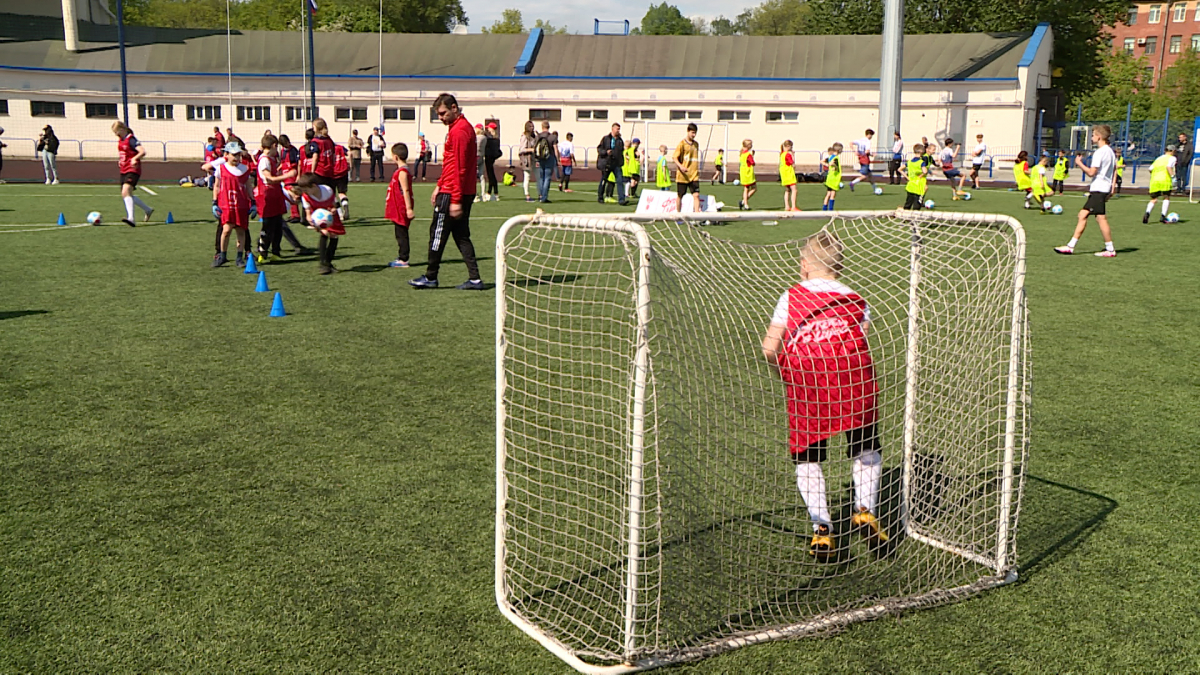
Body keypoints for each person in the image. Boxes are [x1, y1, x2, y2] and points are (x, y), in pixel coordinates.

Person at [761, 231, 887, 560]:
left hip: (810, 380)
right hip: (854, 378)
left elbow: (769, 348)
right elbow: (860, 339)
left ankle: (822, 529)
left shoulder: (792, 296)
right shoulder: (857, 298)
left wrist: (785, 374)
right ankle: (865, 510)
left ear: (804, 265)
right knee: (866, 445)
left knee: (808, 454)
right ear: (839, 267)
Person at [409, 93, 484, 290]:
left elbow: (460, 167)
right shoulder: (459, 128)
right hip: (453, 189)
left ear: (454, 108)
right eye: (438, 115)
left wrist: (455, 199)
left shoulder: (459, 131)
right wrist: (438, 185)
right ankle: (475, 278)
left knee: (437, 234)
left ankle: (431, 276)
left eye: (443, 113)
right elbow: (451, 164)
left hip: (453, 193)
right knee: (461, 235)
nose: (441, 118)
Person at [1054, 125, 1118, 258]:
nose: (1092, 137)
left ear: (1099, 136)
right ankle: (1070, 246)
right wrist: (1112, 188)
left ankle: (1110, 249)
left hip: (1099, 189)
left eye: (1094, 135)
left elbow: (1091, 172)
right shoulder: (1110, 152)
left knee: (1101, 218)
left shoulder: (1100, 152)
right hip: (1102, 188)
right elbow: (1115, 170)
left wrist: (1079, 163)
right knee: (1082, 215)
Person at [202, 140, 252, 268]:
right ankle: (222, 255)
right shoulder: (221, 168)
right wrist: (214, 202)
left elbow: (248, 187)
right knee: (226, 230)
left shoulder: (244, 169)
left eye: (238, 155)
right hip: (227, 205)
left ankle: (239, 258)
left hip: (241, 204)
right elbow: (217, 186)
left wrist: (254, 202)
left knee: (241, 231)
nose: (236, 157)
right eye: (233, 154)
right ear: (227, 155)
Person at [289, 173, 347, 274]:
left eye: (306, 190)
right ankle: (322, 264)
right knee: (324, 233)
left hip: (330, 215)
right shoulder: (305, 197)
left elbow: (335, 203)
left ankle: (328, 263)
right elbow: (307, 211)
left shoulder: (327, 190)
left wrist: (333, 210)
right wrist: (309, 218)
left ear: (314, 186)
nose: (305, 192)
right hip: (318, 216)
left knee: (334, 236)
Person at [254, 134, 294, 264]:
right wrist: (287, 176)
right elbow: (269, 178)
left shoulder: (271, 159)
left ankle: (276, 252)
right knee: (268, 226)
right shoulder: (264, 160)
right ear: (273, 146)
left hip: (275, 194)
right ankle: (262, 253)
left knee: (277, 225)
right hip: (267, 196)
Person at [112, 120, 153, 227]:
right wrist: (120, 160)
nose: (116, 135)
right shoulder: (121, 140)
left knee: (126, 191)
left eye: (117, 132)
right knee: (126, 194)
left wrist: (135, 158)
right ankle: (148, 209)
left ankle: (131, 218)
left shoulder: (131, 139)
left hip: (133, 169)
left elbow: (142, 151)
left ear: (122, 129)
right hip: (124, 169)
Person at [385, 142, 415, 268]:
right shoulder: (400, 171)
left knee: (401, 233)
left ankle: (404, 258)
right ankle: (401, 256)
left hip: (401, 208)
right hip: (397, 207)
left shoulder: (402, 172)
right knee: (399, 232)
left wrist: (408, 208)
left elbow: (406, 190)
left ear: (396, 157)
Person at [1143, 144, 1176, 224]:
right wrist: (1173, 177)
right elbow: (1168, 167)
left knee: (1153, 199)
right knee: (1166, 197)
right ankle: (1163, 216)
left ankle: (1147, 213)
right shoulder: (1172, 158)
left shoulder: (1159, 158)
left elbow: (1150, 169)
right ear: (1172, 151)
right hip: (1165, 180)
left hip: (1154, 181)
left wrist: (1155, 175)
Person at [596, 123, 627, 206]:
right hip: (607, 163)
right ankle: (600, 197)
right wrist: (606, 152)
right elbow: (599, 149)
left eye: (619, 129)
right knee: (604, 180)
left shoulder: (620, 140)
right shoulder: (606, 139)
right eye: (617, 129)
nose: (618, 130)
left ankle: (621, 199)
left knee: (620, 181)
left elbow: (621, 151)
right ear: (612, 129)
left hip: (616, 164)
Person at [674, 124, 701, 213]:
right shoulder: (682, 144)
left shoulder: (696, 144)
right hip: (683, 176)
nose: (694, 135)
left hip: (694, 175)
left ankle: (697, 217)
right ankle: (678, 214)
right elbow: (674, 157)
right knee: (680, 195)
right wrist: (681, 166)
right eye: (692, 132)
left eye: (695, 133)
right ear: (688, 131)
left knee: (696, 195)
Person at [901, 143, 928, 210]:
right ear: (921, 152)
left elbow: (900, 169)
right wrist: (921, 175)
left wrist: (907, 177)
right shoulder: (921, 162)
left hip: (911, 185)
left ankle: (905, 218)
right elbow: (925, 171)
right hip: (919, 185)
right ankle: (915, 219)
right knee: (917, 204)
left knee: (908, 203)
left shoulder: (909, 162)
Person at [822, 142, 843, 211]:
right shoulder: (836, 158)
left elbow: (822, 161)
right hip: (834, 178)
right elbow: (835, 166)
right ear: (838, 150)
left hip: (829, 177)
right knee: (833, 194)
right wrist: (833, 166)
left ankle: (824, 208)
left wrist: (828, 164)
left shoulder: (830, 156)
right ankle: (831, 209)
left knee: (828, 193)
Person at [518, 121, 536, 202]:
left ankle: (540, 194)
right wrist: (531, 150)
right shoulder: (524, 136)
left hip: (533, 159)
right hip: (526, 159)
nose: (532, 128)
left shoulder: (534, 136)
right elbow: (522, 149)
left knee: (538, 176)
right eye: (530, 126)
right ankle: (527, 195)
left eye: (533, 126)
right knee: (527, 177)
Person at [485, 122, 503, 200]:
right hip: (492, 158)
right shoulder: (496, 138)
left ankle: (491, 192)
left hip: (489, 157)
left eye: (488, 127)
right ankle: (493, 192)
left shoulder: (490, 138)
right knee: (491, 175)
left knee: (491, 175)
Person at [780, 139, 798, 211]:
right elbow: (792, 164)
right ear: (788, 146)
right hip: (789, 174)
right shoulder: (787, 154)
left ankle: (787, 206)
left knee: (787, 190)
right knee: (794, 190)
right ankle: (793, 206)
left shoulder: (782, 154)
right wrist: (793, 155)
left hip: (784, 175)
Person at [738, 138, 757, 210]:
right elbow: (753, 163)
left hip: (743, 173)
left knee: (746, 189)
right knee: (753, 188)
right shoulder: (748, 154)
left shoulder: (742, 154)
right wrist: (752, 156)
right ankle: (745, 203)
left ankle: (744, 202)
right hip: (748, 174)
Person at [474, 123, 487, 203]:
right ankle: (483, 194)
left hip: (475, 157)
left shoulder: (477, 138)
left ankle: (475, 195)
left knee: (473, 177)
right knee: (482, 176)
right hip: (482, 156)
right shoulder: (485, 138)